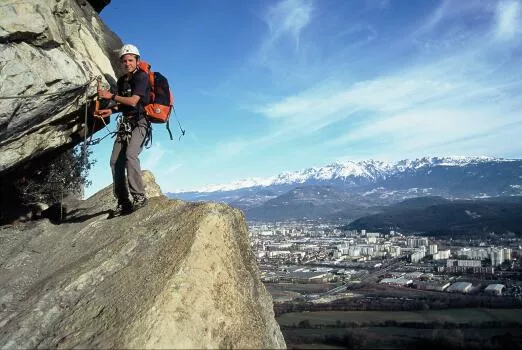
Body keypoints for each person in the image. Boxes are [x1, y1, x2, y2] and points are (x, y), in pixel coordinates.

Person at [96, 44, 150, 215]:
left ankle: (139, 196)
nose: (127, 63)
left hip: (141, 122)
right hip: (125, 124)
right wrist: (110, 110)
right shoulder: (121, 81)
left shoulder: (141, 77)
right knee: (114, 162)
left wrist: (110, 96)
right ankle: (123, 201)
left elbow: (133, 101)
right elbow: (122, 104)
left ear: (137, 61)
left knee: (130, 155)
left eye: (130, 60)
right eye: (125, 61)